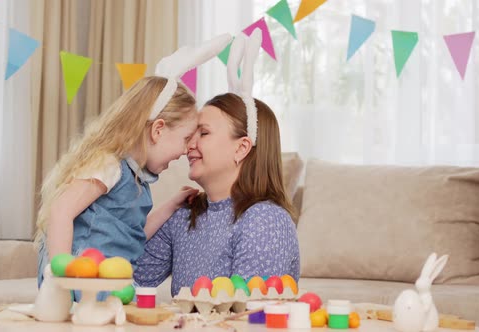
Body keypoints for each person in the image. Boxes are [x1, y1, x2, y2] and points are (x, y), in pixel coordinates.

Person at [33, 34, 233, 290]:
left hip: (103, 284)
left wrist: (170, 206)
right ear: (158, 130)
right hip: (78, 283)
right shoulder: (108, 165)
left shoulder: (139, 181)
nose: (186, 150)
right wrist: (61, 278)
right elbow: (60, 211)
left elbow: (133, 237)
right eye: (185, 139)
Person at [134, 92, 301, 296]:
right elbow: (128, 280)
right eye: (191, 134)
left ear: (241, 148)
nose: (189, 145)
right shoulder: (184, 214)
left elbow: (245, 315)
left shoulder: (265, 220)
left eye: (203, 133)